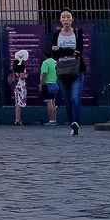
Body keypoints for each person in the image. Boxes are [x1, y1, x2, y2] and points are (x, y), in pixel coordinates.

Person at [48, 8, 86, 137]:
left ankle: (76, 123)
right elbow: (54, 53)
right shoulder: (55, 35)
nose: (66, 20)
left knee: (76, 98)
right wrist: (70, 51)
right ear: (60, 20)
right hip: (62, 71)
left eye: (68, 17)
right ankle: (72, 124)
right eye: (63, 17)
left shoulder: (77, 33)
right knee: (67, 102)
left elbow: (79, 51)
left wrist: (61, 49)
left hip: (76, 70)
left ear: (72, 19)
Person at [10, 48, 30, 126]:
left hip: (16, 85)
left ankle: (17, 119)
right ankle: (18, 119)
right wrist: (25, 76)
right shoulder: (22, 65)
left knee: (17, 103)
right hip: (20, 85)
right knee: (19, 103)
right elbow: (21, 76)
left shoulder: (15, 64)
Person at [39, 52, 59, 125]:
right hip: (54, 84)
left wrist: (41, 84)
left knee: (49, 102)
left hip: (47, 84)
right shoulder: (55, 62)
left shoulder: (45, 63)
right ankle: (54, 119)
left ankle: (51, 120)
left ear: (44, 55)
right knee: (53, 102)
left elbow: (44, 73)